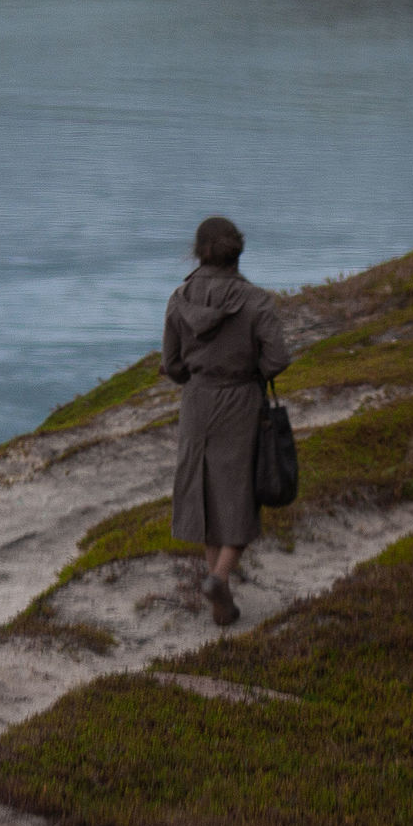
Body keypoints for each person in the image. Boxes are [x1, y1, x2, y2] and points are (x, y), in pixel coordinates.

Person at [161, 217, 291, 626]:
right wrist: (250, 371)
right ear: (239, 251)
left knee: (204, 490)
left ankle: (218, 589)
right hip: (240, 401)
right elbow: (277, 360)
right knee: (238, 492)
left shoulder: (180, 298)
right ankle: (219, 577)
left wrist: (194, 375)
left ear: (198, 252)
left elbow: (173, 365)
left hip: (197, 402)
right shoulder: (257, 302)